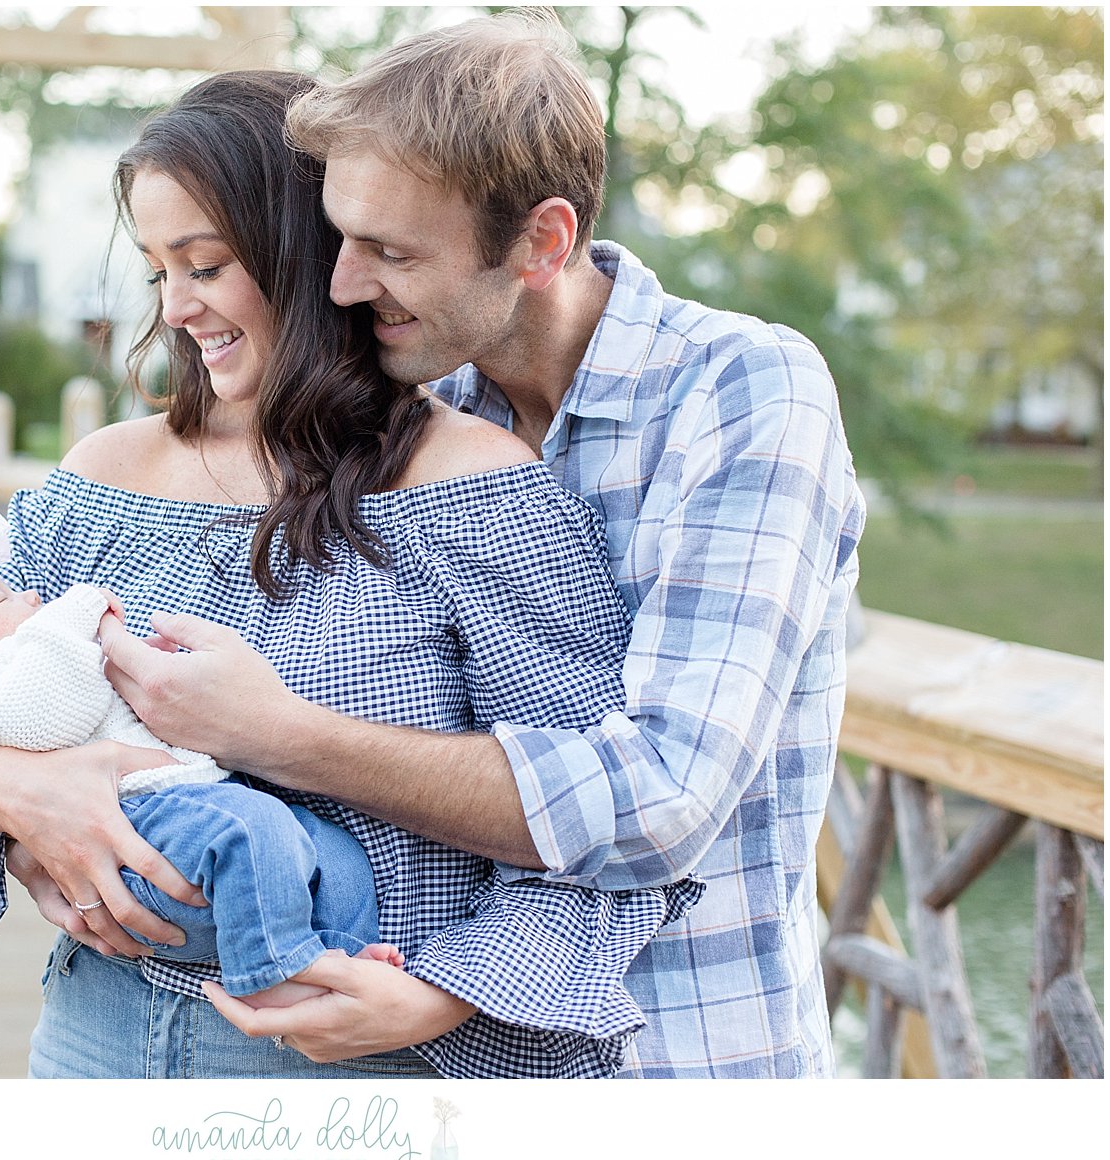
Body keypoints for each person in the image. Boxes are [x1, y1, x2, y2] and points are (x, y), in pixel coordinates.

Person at [0, 69, 699, 1079]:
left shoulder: (473, 490)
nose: (177, 308)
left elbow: (603, 819)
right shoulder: (98, 480)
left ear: (310, 252)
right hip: (94, 1042)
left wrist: (445, 993)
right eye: (158, 270)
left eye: (203, 263)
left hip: (355, 1067)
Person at [99, 13, 867, 1078]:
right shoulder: (413, 407)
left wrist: (281, 732)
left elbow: (663, 796)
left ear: (543, 242)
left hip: (680, 1060)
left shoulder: (740, 391)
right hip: (447, 1075)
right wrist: (28, 789)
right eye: (338, 237)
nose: (339, 284)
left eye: (390, 252)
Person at [0, 500, 404, 1006]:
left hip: (182, 806)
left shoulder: (27, 659)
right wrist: (76, 614)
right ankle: (269, 974)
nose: (28, 597)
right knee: (252, 830)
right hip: (136, 828)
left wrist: (149, 657)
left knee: (328, 850)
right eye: (3, 599)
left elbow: (103, 690)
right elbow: (49, 714)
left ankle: (333, 957)